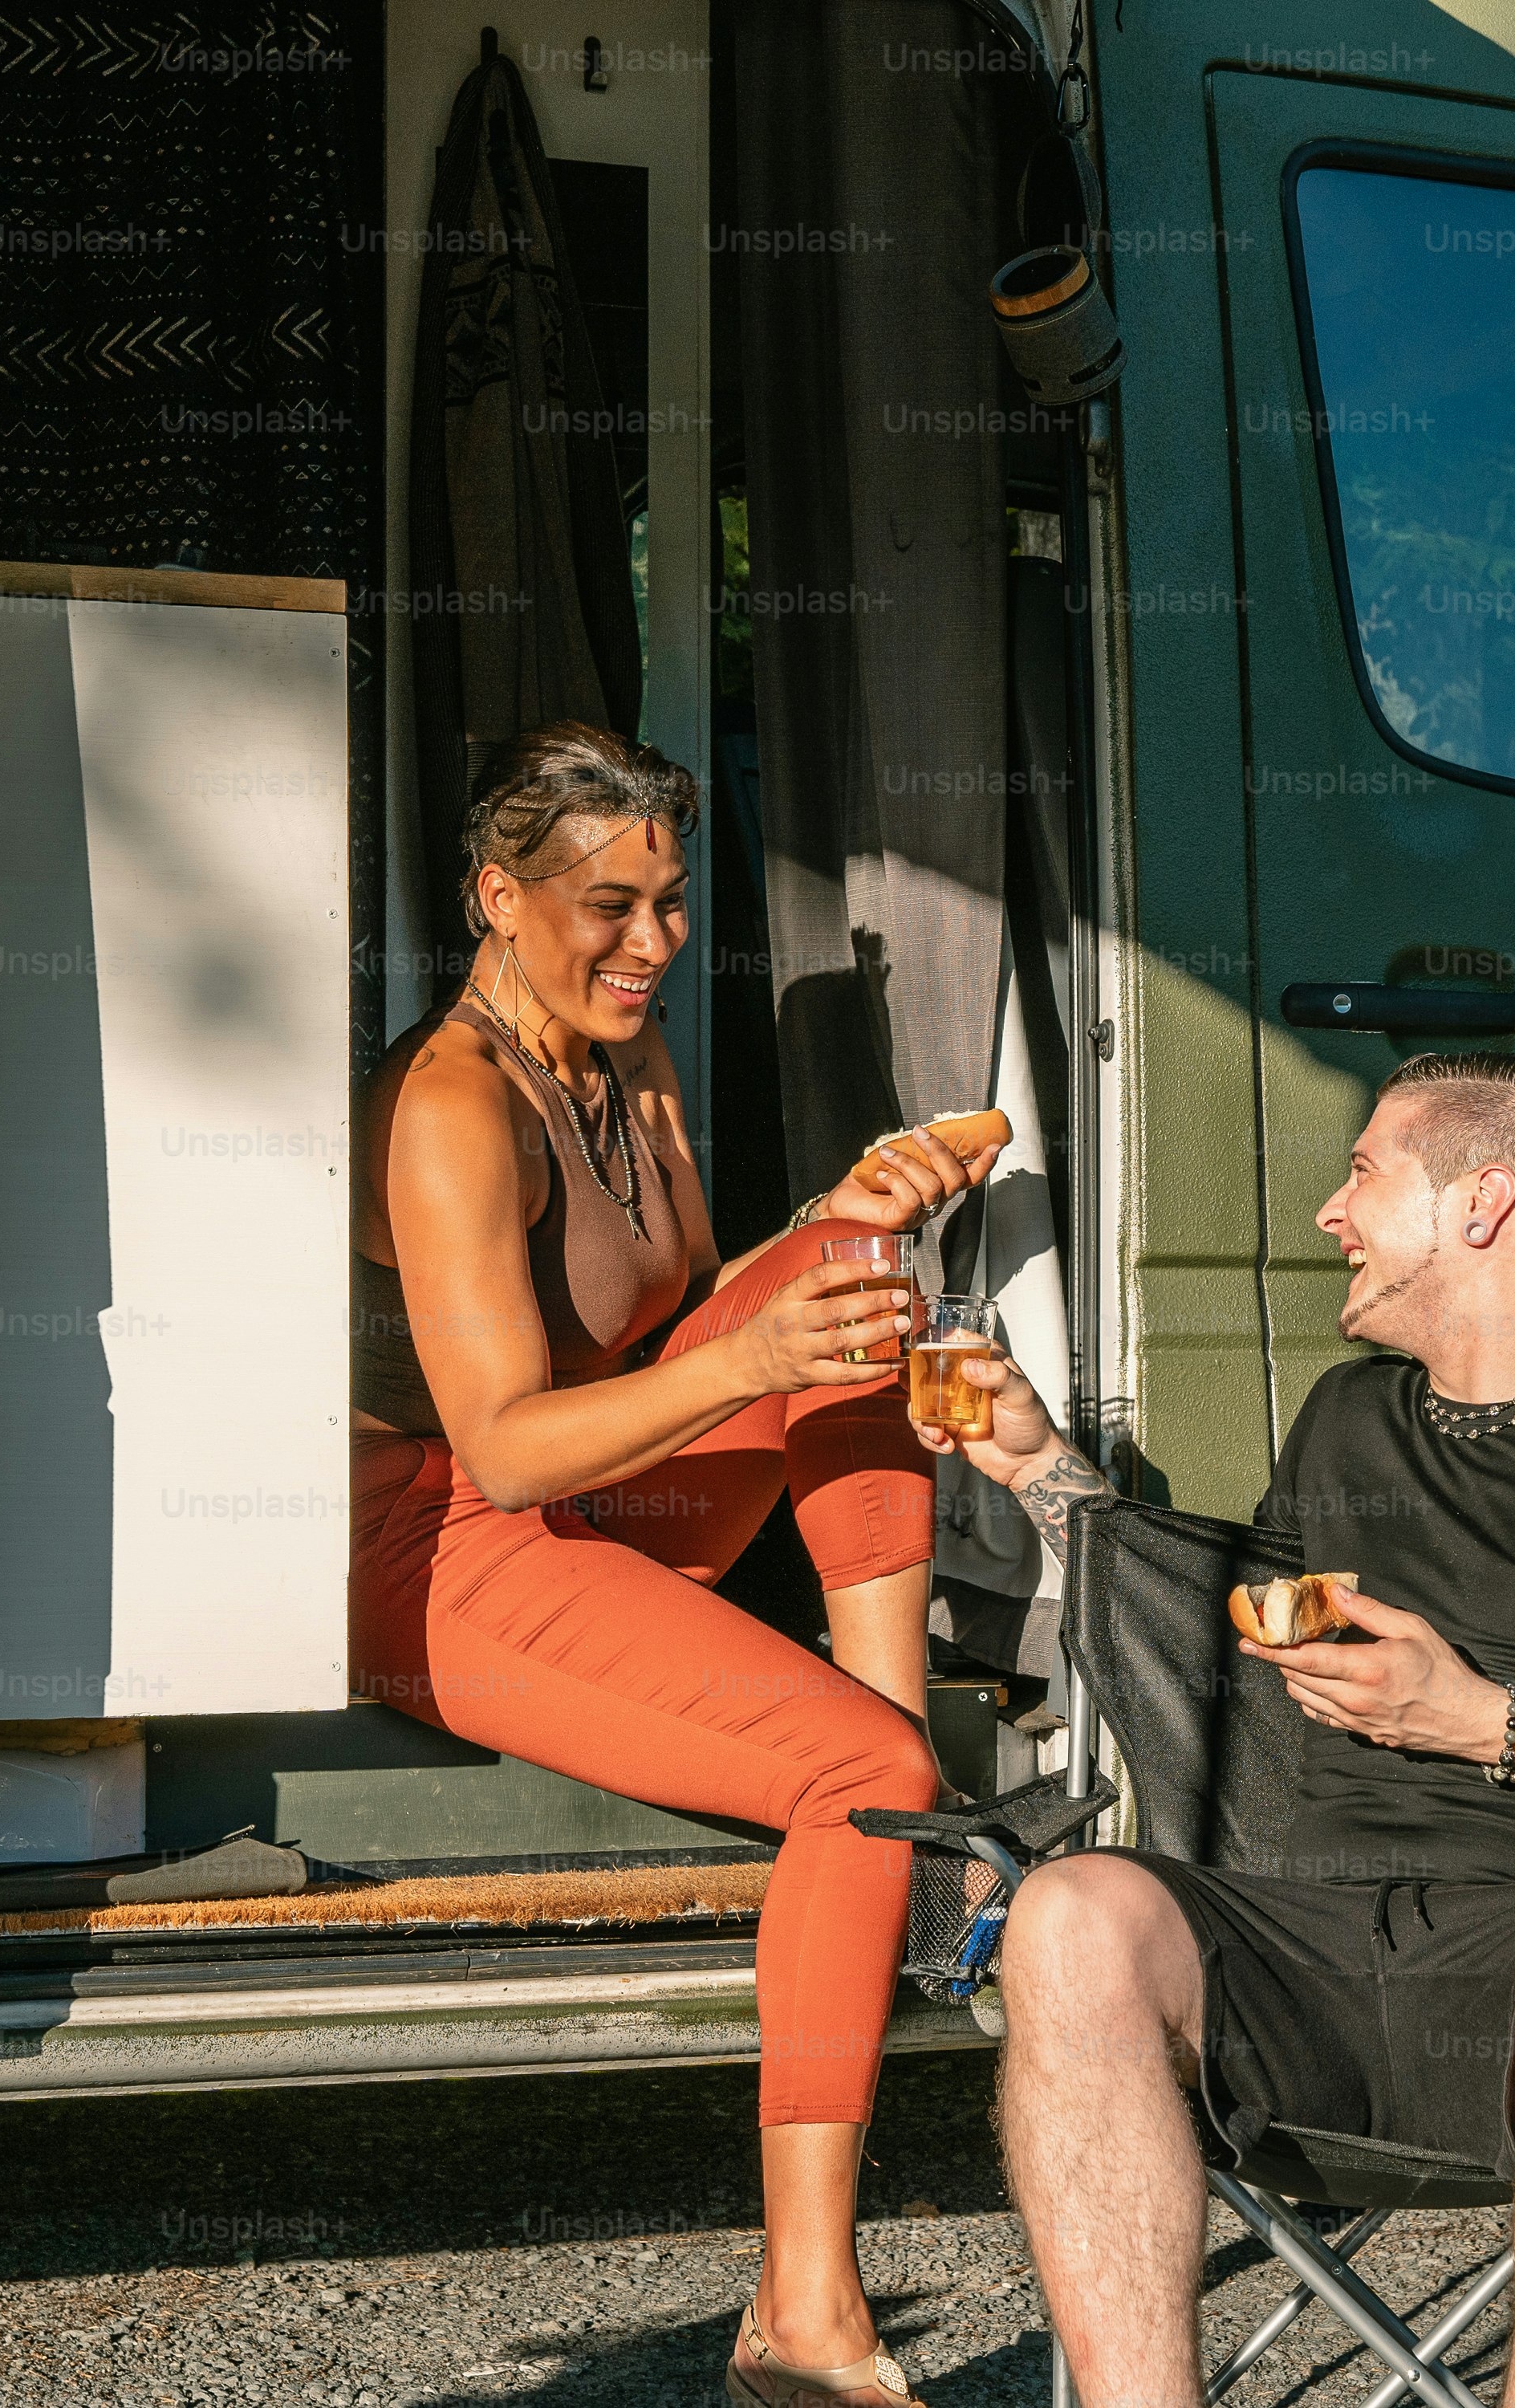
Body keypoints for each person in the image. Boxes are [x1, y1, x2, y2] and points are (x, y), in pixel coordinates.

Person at [912, 1050, 1515, 2408]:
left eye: (1363, 1172)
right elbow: (1228, 1626)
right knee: (1070, 1915)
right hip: (1299, 1953)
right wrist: (1031, 1463)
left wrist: (1485, 1721)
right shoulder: (1349, 1417)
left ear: (1483, 1202)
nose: (1329, 1212)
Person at [350, 722, 1001, 2408]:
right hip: (433, 1543)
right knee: (854, 1772)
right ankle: (806, 2305)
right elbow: (500, 1446)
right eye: (607, 907)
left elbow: (704, 1321)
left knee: (858, 1283)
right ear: (499, 897)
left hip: (594, 1497)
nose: (651, 946)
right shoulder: (450, 1103)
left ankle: (892, 1787)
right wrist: (759, 1351)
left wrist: (846, 1221)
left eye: (669, 902)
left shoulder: (622, 1060)